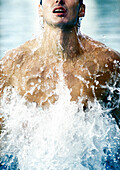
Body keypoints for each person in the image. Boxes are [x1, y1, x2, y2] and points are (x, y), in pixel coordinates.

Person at [0, 0, 120, 128]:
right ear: (40, 9)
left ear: (82, 10)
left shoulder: (107, 63)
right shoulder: (13, 64)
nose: (59, 0)